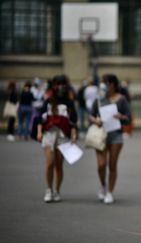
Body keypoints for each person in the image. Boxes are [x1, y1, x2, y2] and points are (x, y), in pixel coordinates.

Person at [88, 74, 131, 204]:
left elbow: (128, 117)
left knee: (112, 165)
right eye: (102, 83)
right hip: (101, 134)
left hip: (116, 135)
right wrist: (96, 121)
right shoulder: (99, 99)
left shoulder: (121, 99)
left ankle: (110, 192)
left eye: (106, 83)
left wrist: (121, 116)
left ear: (112, 84)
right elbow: (91, 115)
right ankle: (102, 186)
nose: (104, 86)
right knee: (101, 165)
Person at [37, 74, 78, 203]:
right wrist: (39, 132)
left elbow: (73, 121)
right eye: (58, 84)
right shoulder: (49, 101)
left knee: (59, 165)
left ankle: (57, 191)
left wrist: (74, 134)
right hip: (49, 134)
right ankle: (48, 190)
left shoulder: (69, 102)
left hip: (63, 136)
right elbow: (40, 118)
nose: (61, 86)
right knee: (50, 163)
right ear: (54, 85)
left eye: (63, 84)